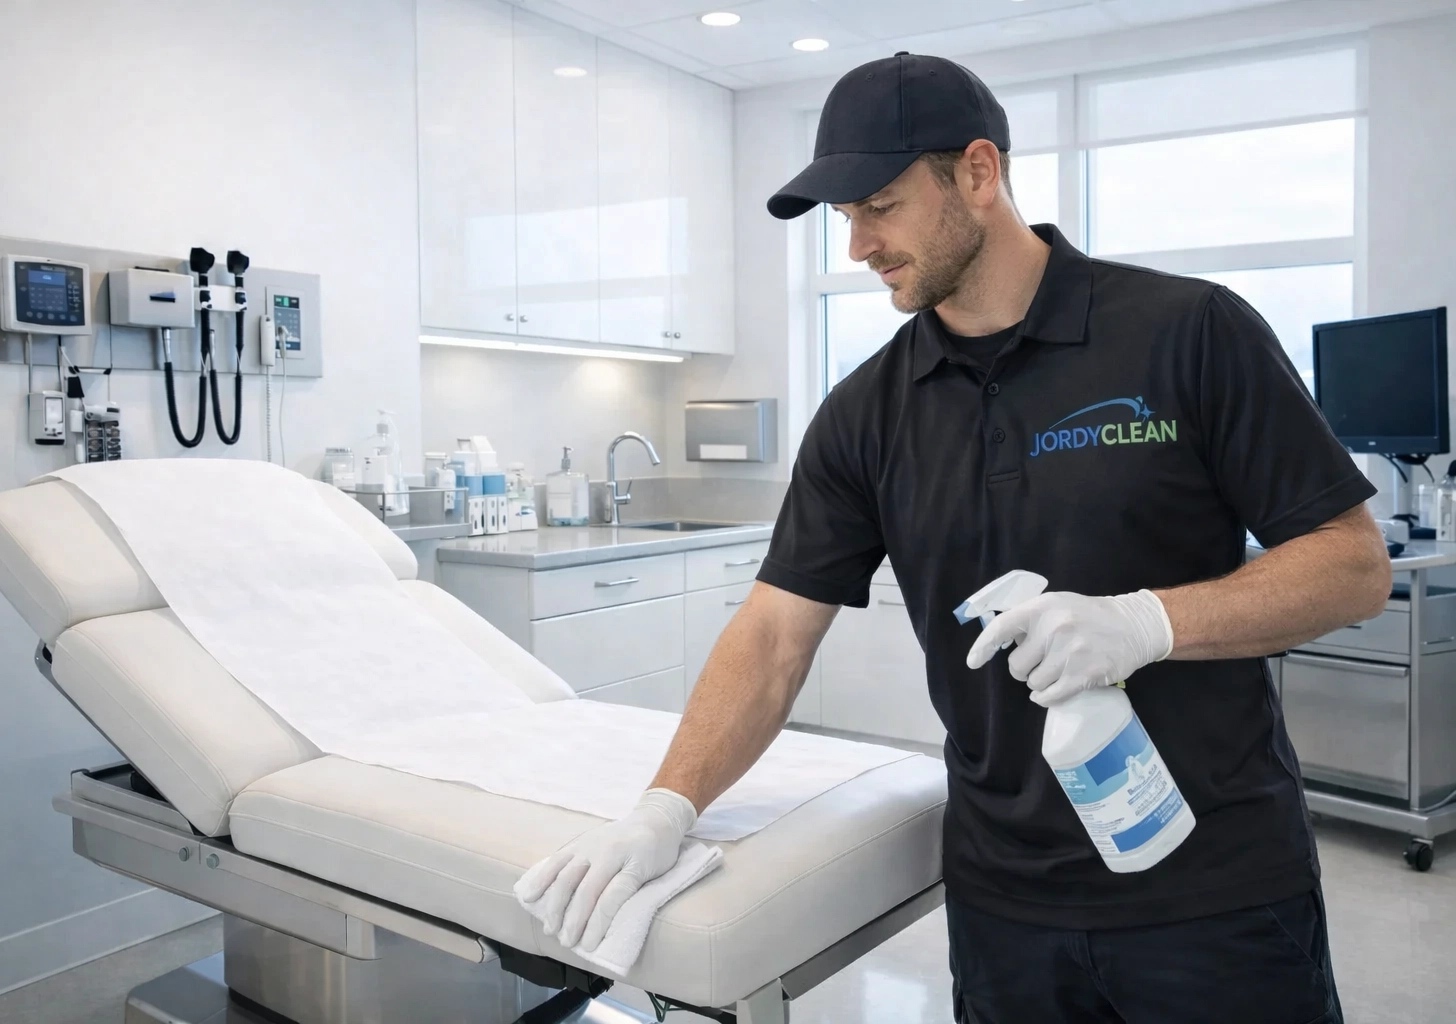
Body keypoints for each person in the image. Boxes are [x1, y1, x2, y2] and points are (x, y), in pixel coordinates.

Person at [516, 52, 1390, 1024]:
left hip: (1215, 892)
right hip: (1004, 907)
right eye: (845, 217)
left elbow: (1350, 564)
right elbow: (772, 634)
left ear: (978, 173)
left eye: (878, 205)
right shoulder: (867, 411)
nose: (856, 247)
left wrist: (1149, 622)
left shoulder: (1186, 332)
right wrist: (664, 806)